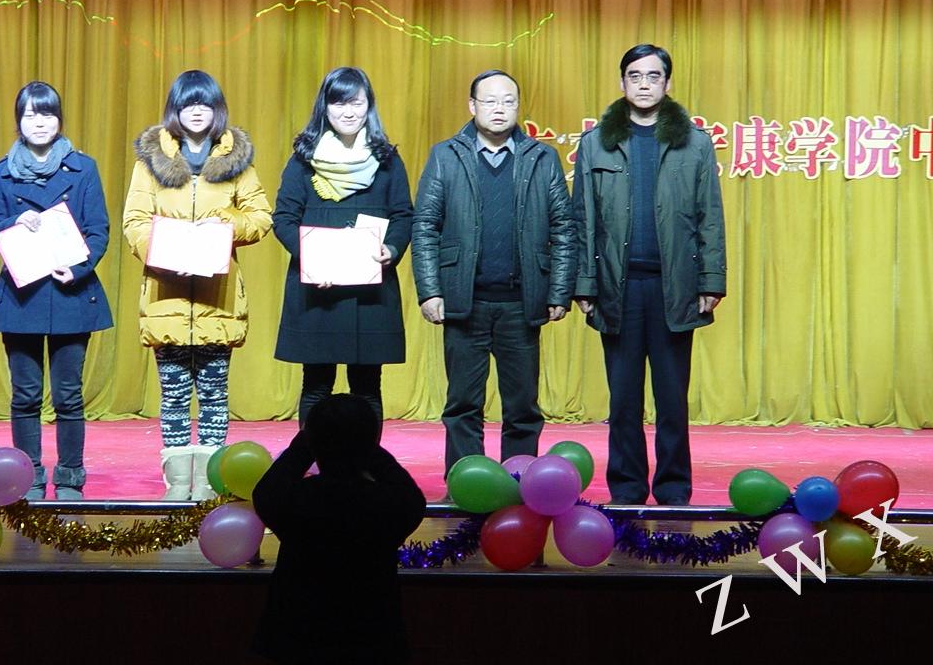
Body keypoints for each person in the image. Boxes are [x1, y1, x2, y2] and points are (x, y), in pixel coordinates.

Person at [571, 44, 726, 506]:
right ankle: (627, 490)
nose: (644, 84)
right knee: (623, 401)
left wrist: (711, 280)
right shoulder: (595, 143)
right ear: (622, 83)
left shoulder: (694, 143)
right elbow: (583, 218)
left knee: (672, 400)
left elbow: (710, 217)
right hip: (616, 288)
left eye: (653, 76)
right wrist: (584, 283)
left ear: (667, 84)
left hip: (673, 288)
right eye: (635, 76)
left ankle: (674, 489)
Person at [411, 69, 575, 480]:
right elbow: (425, 225)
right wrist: (430, 291)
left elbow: (564, 228)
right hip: (464, 300)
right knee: (462, 405)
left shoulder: (541, 158)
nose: (499, 109)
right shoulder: (446, 155)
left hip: (521, 301)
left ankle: (519, 485)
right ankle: (466, 485)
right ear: (472, 106)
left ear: (518, 107)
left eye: (508, 101)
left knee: (522, 408)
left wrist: (558, 292)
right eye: (490, 101)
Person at [122, 70, 272, 500]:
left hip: (217, 299)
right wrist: (165, 251)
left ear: (217, 108)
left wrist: (224, 226)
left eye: (205, 103)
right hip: (165, 296)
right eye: (188, 103)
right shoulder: (150, 163)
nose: (197, 111)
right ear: (175, 109)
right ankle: (177, 483)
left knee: (214, 394)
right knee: (171, 396)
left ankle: (209, 481)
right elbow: (134, 221)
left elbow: (260, 216)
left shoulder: (236, 162)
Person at [0, 82, 112, 500]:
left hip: (70, 294)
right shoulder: (2, 171)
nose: (39, 122)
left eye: (47, 114)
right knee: (25, 394)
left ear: (59, 119)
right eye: (30, 115)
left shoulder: (83, 168)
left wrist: (77, 268)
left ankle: (70, 476)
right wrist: (14, 223)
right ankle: (28, 475)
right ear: (19, 121)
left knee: (69, 394)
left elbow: (98, 229)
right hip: (22, 298)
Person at [272, 67, 413, 426]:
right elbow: (284, 218)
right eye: (339, 103)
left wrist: (392, 249)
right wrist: (313, 260)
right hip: (319, 289)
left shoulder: (387, 159)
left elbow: (403, 216)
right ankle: (313, 457)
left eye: (356, 103)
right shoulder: (303, 160)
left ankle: (365, 459)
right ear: (325, 107)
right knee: (316, 385)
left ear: (369, 106)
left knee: (367, 387)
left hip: (370, 292)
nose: (348, 112)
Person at [251, 394, 426, 665]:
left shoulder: (296, 500)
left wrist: (304, 445)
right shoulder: (385, 504)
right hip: (372, 638)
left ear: (312, 442)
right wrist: (367, 447)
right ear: (371, 444)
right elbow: (412, 499)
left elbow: (265, 492)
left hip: (297, 636)